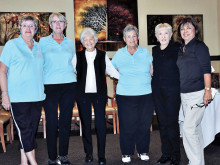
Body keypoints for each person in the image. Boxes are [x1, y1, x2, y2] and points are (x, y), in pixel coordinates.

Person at [0, 15, 45, 165]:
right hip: (18, 97)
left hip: (37, 96)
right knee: (25, 130)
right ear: (19, 28)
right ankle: (34, 163)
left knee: (29, 131)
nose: (28, 28)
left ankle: (23, 163)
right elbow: (2, 71)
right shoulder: (11, 45)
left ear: (36, 29)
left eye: (31, 26)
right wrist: (5, 95)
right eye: (24, 25)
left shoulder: (39, 47)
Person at [72, 28, 119, 165]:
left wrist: (125, 78)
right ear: (82, 42)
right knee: (86, 125)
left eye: (91, 39)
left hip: (99, 95)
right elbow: (70, 71)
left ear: (95, 40)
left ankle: (102, 155)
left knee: (100, 126)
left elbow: (111, 71)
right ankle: (89, 154)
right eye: (85, 40)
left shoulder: (102, 55)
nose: (88, 42)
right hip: (82, 96)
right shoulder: (77, 56)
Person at [111, 25, 154, 163]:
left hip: (146, 93)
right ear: (124, 39)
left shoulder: (146, 53)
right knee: (127, 124)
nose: (132, 39)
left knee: (144, 123)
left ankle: (143, 151)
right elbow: (112, 70)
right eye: (128, 36)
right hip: (125, 94)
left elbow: (152, 71)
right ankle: (126, 152)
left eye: (134, 36)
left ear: (138, 37)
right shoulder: (119, 54)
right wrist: (123, 78)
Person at [39, 13, 77, 165]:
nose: (58, 24)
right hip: (49, 85)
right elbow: (38, 63)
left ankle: (63, 155)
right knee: (52, 122)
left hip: (69, 85)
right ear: (50, 25)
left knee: (66, 121)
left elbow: (74, 64)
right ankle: (52, 157)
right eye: (54, 22)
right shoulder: (42, 42)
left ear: (65, 24)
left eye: (61, 21)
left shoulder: (70, 43)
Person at [176, 17, 212, 165]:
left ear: (195, 30)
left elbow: (206, 70)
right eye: (182, 28)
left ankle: (195, 162)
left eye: (188, 28)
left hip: (197, 93)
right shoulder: (180, 49)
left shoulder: (200, 47)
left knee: (188, 129)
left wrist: (207, 91)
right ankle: (199, 162)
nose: (185, 31)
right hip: (184, 95)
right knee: (195, 130)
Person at [152, 23, 181, 165]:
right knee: (162, 123)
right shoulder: (154, 50)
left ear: (170, 35)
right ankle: (166, 153)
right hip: (157, 91)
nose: (163, 36)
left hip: (173, 91)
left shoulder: (178, 48)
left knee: (172, 123)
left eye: (166, 33)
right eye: (160, 34)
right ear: (156, 36)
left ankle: (176, 155)